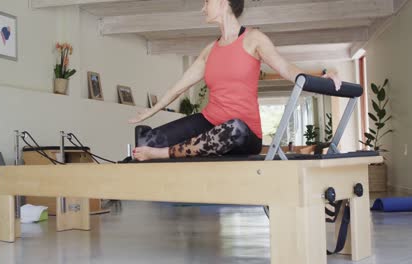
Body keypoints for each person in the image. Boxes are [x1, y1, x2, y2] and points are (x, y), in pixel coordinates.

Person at [128, 0, 341, 161]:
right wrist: (151, 110)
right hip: (210, 121)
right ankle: (162, 150)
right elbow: (179, 87)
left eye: (206, 1)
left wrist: (321, 78)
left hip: (243, 134)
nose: (203, 7)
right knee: (146, 142)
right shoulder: (209, 51)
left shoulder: (253, 39)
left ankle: (162, 153)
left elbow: (285, 67)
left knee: (233, 128)